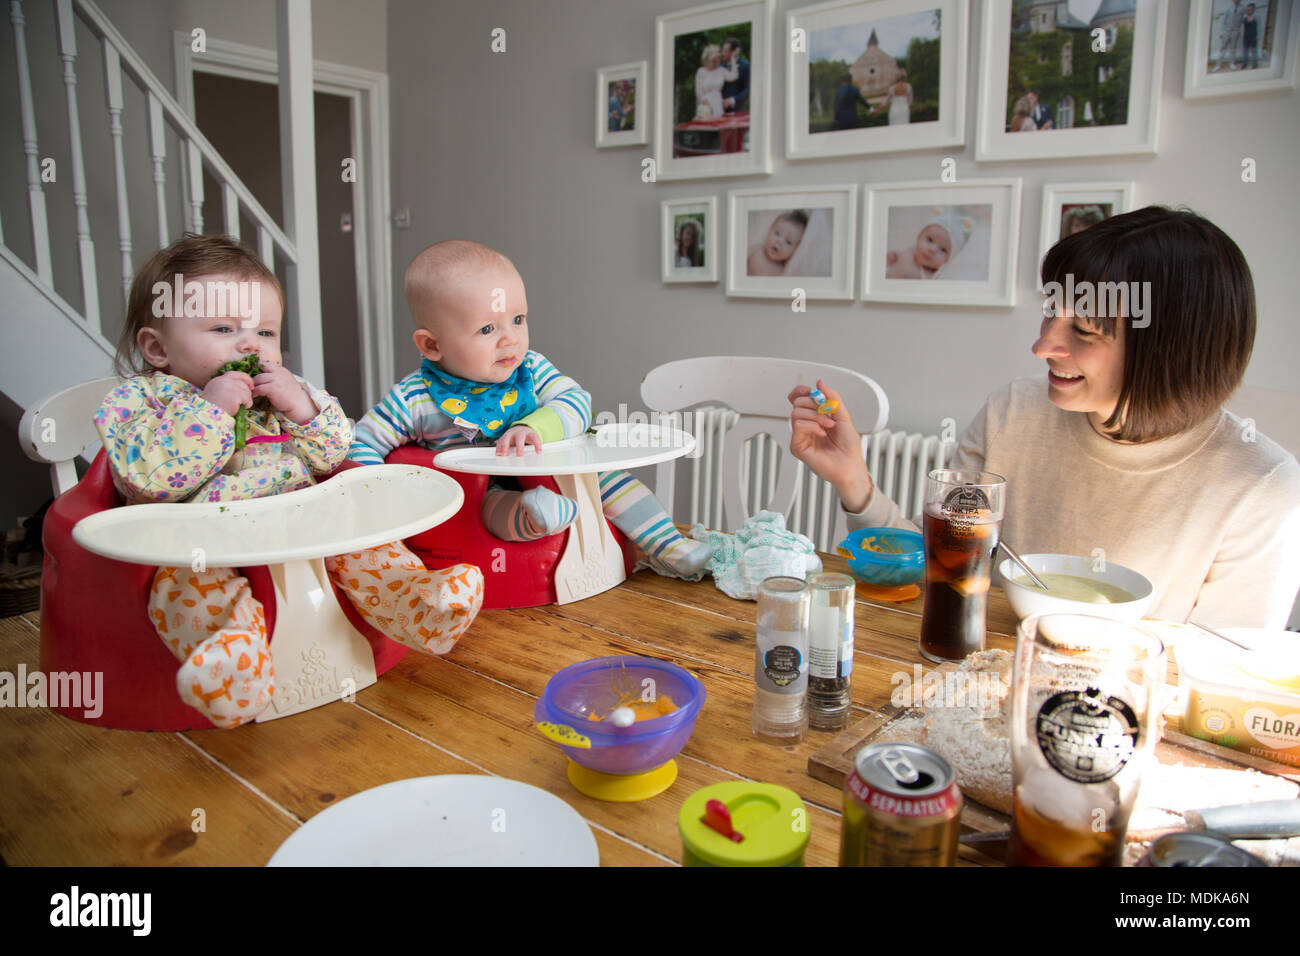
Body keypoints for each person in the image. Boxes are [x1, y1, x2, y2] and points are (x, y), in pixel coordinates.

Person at [789, 206, 1300, 629]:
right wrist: (856, 482)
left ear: (1173, 350)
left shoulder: (1261, 488)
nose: (1041, 347)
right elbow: (942, 571)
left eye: (1083, 330)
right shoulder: (1013, 413)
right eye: (1050, 314)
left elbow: (1221, 683)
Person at [95, 234, 484, 729]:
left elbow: (333, 455)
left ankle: (419, 606)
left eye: (265, 331)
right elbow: (149, 481)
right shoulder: (139, 404)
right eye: (222, 328)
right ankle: (232, 666)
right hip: (200, 541)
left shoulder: (283, 394)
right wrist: (209, 411)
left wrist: (302, 408)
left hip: (303, 525)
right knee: (188, 589)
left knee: (368, 546)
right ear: (156, 347)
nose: (250, 345)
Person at [351, 240, 712, 579]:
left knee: (611, 479)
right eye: (487, 328)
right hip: (479, 496)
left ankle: (672, 547)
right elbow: (361, 443)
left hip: (559, 473)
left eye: (518, 320)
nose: (510, 338)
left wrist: (534, 427)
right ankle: (539, 515)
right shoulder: (414, 398)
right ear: (432, 344)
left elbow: (576, 401)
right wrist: (385, 496)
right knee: (496, 511)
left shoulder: (531, 370)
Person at [885, 208, 973, 280]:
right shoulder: (908, 252)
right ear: (919, 238)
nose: (932, 250)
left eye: (943, 249)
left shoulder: (933, 277)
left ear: (948, 260)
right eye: (930, 240)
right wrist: (892, 257)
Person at [748, 210, 807, 276]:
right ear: (769, 231)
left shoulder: (781, 271)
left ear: (795, 250)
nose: (779, 241)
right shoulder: (756, 250)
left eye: (788, 242)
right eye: (777, 233)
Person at [694, 44, 738, 121]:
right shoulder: (701, 71)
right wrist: (707, 105)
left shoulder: (721, 70)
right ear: (712, 58)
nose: (719, 59)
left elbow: (733, 76)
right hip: (705, 107)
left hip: (718, 105)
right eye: (718, 57)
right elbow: (699, 92)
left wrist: (733, 59)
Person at [721, 37, 750, 113]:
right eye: (723, 50)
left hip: (738, 111)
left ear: (734, 52)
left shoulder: (745, 66)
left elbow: (748, 89)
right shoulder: (720, 66)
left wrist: (733, 100)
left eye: (725, 51)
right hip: (721, 110)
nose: (722, 54)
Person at [1216, 0, 1246, 71]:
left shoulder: (1243, 8)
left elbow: (1244, 19)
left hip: (1236, 31)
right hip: (1227, 31)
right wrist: (1221, 32)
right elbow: (1223, 20)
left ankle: (1231, 63)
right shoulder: (1228, 8)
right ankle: (1218, 64)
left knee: (1233, 48)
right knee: (1222, 48)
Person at [1242, 3, 1260, 69]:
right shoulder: (1245, 17)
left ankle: (1255, 65)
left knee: (1254, 51)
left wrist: (1258, 35)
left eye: (1250, 10)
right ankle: (1244, 64)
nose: (1248, 11)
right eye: (1247, 10)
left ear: (1253, 10)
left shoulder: (1257, 17)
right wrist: (1249, 19)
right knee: (1245, 51)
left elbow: (1259, 26)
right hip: (1246, 37)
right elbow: (1244, 22)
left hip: (1253, 37)